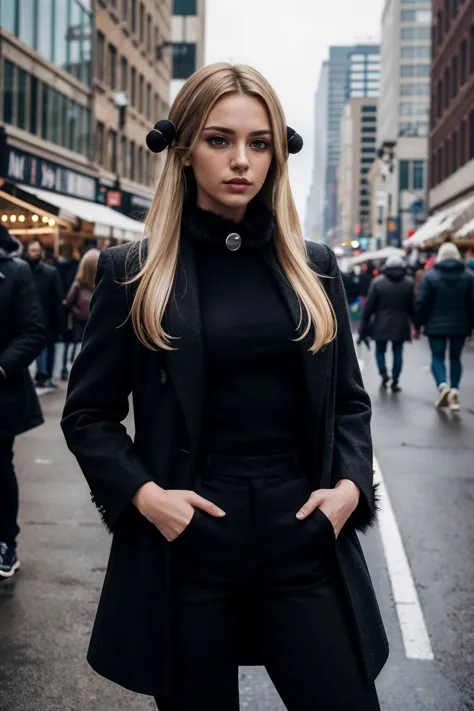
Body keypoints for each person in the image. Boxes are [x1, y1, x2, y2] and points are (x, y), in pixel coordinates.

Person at [61, 63, 388, 710]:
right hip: (187, 551)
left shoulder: (314, 268)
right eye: (219, 140)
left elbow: (350, 400)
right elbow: (89, 414)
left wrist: (349, 489)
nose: (241, 160)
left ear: (277, 152)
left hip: (303, 538)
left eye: (259, 142)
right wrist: (149, 499)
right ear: (182, 150)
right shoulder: (135, 273)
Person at [0, 225, 46, 578]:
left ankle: (6, 542)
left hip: (3, 393)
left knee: (0, 467)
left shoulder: (15, 273)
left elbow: (34, 331)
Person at [415, 242, 474, 412]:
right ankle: (454, 390)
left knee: (437, 358)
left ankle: (443, 386)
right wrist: (471, 326)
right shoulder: (469, 277)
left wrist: (418, 325)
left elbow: (421, 303)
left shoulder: (429, 276)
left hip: (435, 326)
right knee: (456, 358)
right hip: (460, 326)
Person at [360, 256, 414, 392]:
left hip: (381, 321)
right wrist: (416, 324)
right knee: (398, 352)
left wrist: (364, 324)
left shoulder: (378, 282)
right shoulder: (408, 283)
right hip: (401, 322)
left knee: (380, 350)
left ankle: (383, 373)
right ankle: (395, 379)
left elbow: (369, 305)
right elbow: (413, 306)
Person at [24, 239, 64, 388]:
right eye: (33, 250)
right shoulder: (23, 271)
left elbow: (57, 298)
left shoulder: (50, 272)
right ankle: (40, 376)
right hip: (30, 317)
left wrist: (60, 322)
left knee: (48, 348)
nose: (36, 253)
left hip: (47, 317)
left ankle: (45, 376)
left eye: (38, 250)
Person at [64, 249, 100, 369]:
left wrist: (76, 311)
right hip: (94, 322)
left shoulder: (78, 283)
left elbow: (68, 302)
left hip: (78, 321)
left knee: (76, 347)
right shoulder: (101, 284)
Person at [55, 244, 80, 380]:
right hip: (76, 311)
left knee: (66, 341)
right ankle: (69, 368)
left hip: (66, 309)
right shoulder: (77, 268)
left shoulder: (56, 267)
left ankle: (65, 367)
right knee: (74, 342)